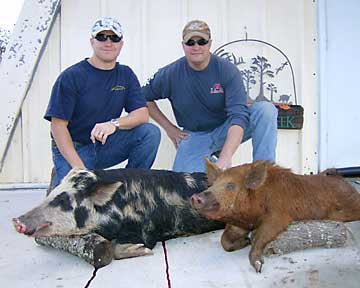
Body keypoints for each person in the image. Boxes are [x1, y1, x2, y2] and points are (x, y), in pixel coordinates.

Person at [142, 19, 277, 173]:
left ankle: (265, 172)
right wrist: (169, 128)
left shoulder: (227, 70)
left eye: (202, 41)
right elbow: (143, 97)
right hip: (194, 136)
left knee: (265, 110)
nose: (196, 47)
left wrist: (226, 156)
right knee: (184, 185)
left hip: (226, 128)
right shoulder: (170, 73)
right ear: (183, 45)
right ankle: (207, 161)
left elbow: (238, 117)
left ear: (210, 43)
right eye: (190, 42)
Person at [44, 17, 161, 188]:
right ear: (92, 41)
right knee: (70, 200)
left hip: (105, 144)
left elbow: (142, 114)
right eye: (102, 37)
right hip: (74, 148)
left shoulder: (125, 74)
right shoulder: (71, 76)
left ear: (121, 44)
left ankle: (131, 187)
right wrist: (79, 169)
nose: (108, 43)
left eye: (114, 38)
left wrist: (113, 124)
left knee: (150, 133)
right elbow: (57, 126)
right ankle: (64, 173)